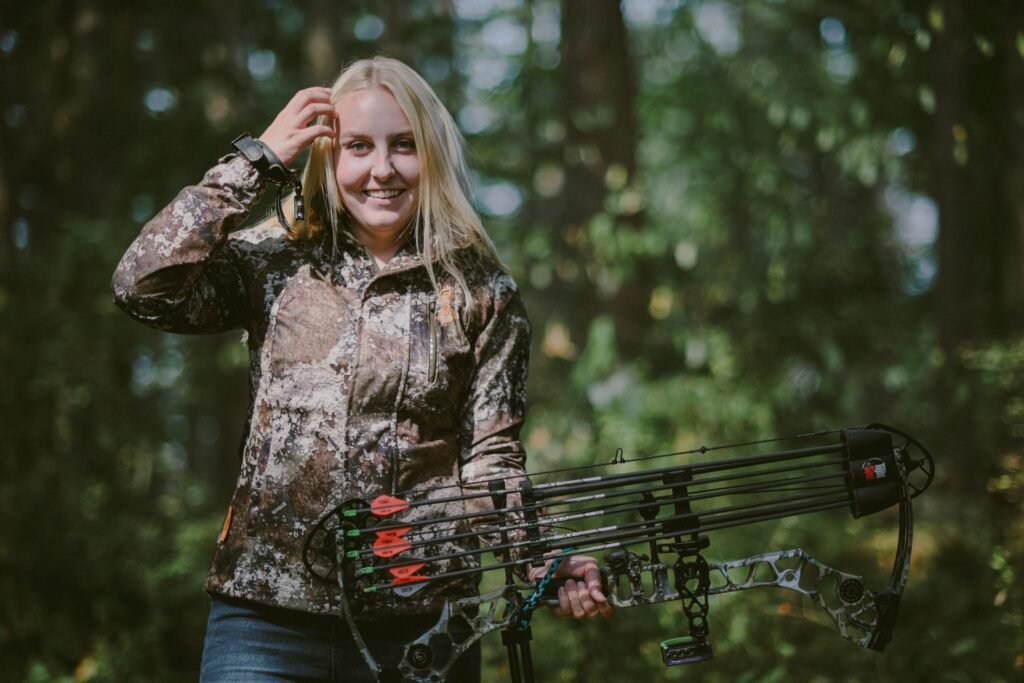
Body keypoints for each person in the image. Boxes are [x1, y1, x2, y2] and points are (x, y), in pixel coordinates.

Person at [112, 56, 612, 682]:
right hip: (264, 621)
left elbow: (491, 461)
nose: (382, 169)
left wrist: (543, 558)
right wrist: (255, 160)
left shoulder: (481, 290)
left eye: (404, 145)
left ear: (431, 154)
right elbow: (142, 287)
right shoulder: (275, 259)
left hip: (424, 628)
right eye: (358, 146)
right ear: (328, 157)